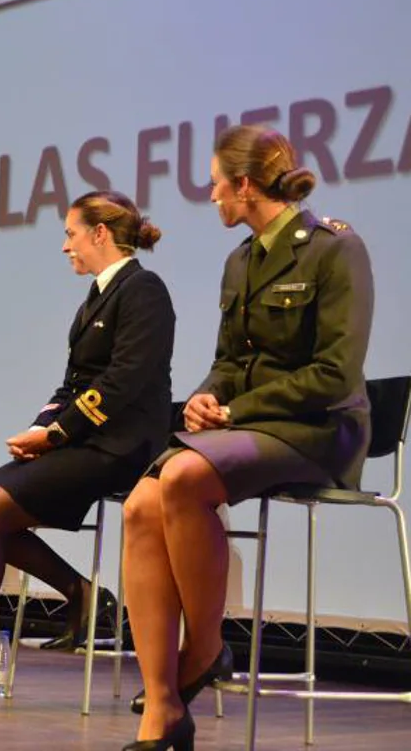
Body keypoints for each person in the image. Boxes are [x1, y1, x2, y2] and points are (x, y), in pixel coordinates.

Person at [121, 125, 374, 750]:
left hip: (320, 430)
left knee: (178, 478)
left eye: (215, 184)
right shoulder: (241, 260)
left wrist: (237, 412)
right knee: (139, 506)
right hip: (254, 427)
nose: (210, 197)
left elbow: (334, 374)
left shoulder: (334, 249)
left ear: (244, 186)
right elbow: (231, 359)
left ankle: (204, 650)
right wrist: (209, 395)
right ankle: (164, 708)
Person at [0, 190, 174, 709]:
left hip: (122, 446)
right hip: (84, 439)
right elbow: (71, 386)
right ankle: (82, 594)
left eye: (70, 234)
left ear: (100, 234)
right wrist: (38, 429)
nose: (65, 246)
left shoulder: (143, 290)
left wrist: (57, 435)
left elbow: (124, 382)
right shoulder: (96, 296)